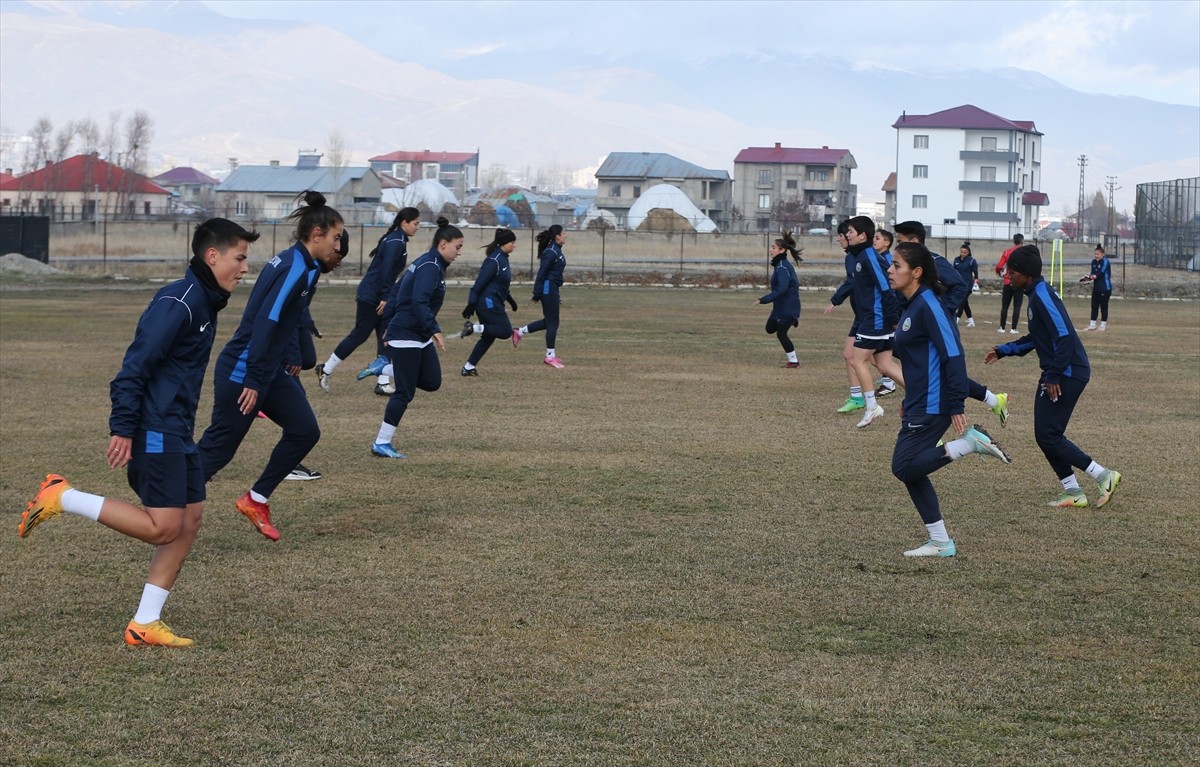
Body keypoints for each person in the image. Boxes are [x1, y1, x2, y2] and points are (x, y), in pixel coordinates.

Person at [18, 218, 258, 647]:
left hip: (177, 429)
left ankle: (145, 623)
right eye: (239, 258)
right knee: (163, 528)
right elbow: (134, 368)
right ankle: (62, 496)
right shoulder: (180, 302)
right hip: (156, 428)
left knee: (190, 519)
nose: (244, 268)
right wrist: (124, 428)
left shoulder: (204, 301)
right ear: (212, 256)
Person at [198, 191, 345, 541]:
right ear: (317, 235)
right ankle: (165, 498)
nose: (339, 246)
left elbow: (292, 316)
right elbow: (267, 321)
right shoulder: (294, 267)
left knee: (305, 430)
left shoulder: (308, 267)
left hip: (269, 369)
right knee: (218, 451)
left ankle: (256, 500)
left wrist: (291, 353)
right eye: (336, 238)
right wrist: (252, 378)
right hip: (244, 369)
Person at [887, 242, 1012, 557]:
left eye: (897, 265)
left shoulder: (930, 306)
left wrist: (956, 404)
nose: (890, 270)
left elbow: (953, 356)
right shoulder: (913, 304)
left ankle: (970, 444)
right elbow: (918, 360)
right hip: (920, 400)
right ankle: (940, 541)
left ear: (916, 272)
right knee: (913, 469)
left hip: (934, 402)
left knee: (903, 466)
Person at [983, 245, 1122, 508]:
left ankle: (1103, 476)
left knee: (1048, 435)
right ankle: (1073, 491)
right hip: (1060, 370)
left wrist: (1055, 375)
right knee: (1046, 434)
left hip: (1067, 371)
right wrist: (1004, 350)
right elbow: (1038, 337)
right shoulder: (1036, 294)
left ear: (1026, 274)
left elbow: (1065, 338)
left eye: (1012, 273)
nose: (1009, 277)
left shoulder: (1042, 296)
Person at [894, 221, 1009, 428]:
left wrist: (941, 312)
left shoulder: (933, 262)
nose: (897, 246)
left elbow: (960, 286)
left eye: (900, 242)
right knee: (936, 373)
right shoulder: (901, 267)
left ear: (915, 241)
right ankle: (993, 400)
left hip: (935, 328)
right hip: (917, 328)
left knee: (944, 372)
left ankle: (991, 402)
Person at [369, 217, 462, 458]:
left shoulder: (430, 263)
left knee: (432, 381)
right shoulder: (429, 266)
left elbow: (398, 290)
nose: (459, 252)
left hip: (419, 335)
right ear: (443, 244)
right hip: (407, 334)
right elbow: (419, 301)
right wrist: (434, 329)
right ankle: (381, 442)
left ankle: (384, 368)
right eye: (458, 246)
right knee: (404, 392)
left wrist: (389, 322)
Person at [317, 207, 419, 395]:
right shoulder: (396, 241)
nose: (418, 227)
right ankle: (326, 369)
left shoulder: (397, 239)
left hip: (378, 294)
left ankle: (382, 382)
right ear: (404, 223)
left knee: (386, 337)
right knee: (360, 334)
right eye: (415, 223)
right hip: (373, 295)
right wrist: (385, 297)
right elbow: (385, 271)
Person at [824, 215, 903, 428]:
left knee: (855, 359)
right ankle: (922, 398)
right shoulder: (859, 256)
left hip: (875, 320)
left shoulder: (869, 256)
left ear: (862, 235)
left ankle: (871, 406)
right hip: (873, 319)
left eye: (850, 232)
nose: (847, 235)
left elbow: (886, 288)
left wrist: (893, 320)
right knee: (885, 365)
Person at [460, 227, 520, 376]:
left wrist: (511, 300)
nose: (514, 245)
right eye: (512, 242)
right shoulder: (494, 260)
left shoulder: (503, 258)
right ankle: (473, 328)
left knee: (488, 336)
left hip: (494, 300)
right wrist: (471, 302)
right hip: (488, 302)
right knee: (505, 331)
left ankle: (468, 367)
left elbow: (501, 284)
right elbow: (479, 283)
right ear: (504, 243)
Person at [513, 224, 567, 368]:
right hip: (548, 289)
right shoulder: (551, 251)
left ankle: (520, 332)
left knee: (549, 321)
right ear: (557, 237)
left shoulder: (556, 250)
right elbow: (542, 274)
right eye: (564, 233)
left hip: (552, 289)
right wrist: (537, 293)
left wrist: (556, 293)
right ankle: (550, 356)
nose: (565, 236)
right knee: (553, 323)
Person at [754, 231, 802, 367]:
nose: (770, 250)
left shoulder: (782, 267)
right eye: (771, 247)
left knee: (781, 334)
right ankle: (792, 320)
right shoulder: (780, 264)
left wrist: (764, 299)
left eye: (773, 247)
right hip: (780, 307)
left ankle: (794, 361)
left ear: (782, 250)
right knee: (769, 329)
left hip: (788, 306)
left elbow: (782, 289)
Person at [995, 233, 1025, 334]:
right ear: (1022, 242)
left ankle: (1002, 327)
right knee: (1017, 306)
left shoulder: (1007, 252)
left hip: (1008, 281)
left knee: (1005, 306)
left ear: (1013, 241)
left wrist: (999, 272)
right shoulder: (1024, 254)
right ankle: (1014, 328)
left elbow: (999, 266)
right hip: (1019, 282)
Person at [1082, 244, 1113, 331]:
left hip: (1105, 288)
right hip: (1096, 288)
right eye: (1095, 254)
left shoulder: (1105, 261)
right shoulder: (1094, 262)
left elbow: (1100, 273)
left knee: (1103, 307)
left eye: (1098, 254)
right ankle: (1092, 325)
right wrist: (1087, 279)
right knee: (1094, 306)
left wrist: (1091, 277)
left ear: (1103, 254)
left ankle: (1103, 326)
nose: (1096, 256)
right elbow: (1093, 273)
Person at [953, 241, 979, 327]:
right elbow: (954, 271)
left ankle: (956, 320)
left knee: (961, 302)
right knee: (965, 303)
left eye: (964, 252)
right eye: (961, 252)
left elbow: (976, 273)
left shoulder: (972, 261)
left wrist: (975, 283)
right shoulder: (956, 260)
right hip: (959, 285)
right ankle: (971, 321)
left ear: (968, 253)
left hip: (967, 285)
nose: (962, 254)